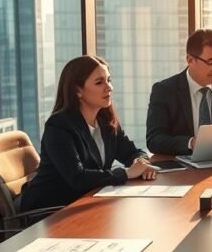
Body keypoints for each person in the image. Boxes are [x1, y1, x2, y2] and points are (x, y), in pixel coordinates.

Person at [19, 55, 156, 211]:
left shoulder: (105, 121)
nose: (109, 87)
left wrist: (142, 164)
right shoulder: (59, 126)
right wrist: (126, 173)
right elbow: (77, 178)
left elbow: (132, 152)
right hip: (52, 210)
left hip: (87, 202)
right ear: (78, 91)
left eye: (109, 80)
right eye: (99, 82)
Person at [146, 29, 212, 155]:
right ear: (190, 60)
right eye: (211, 62)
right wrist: (191, 143)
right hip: (181, 168)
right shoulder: (164, 90)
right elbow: (154, 140)